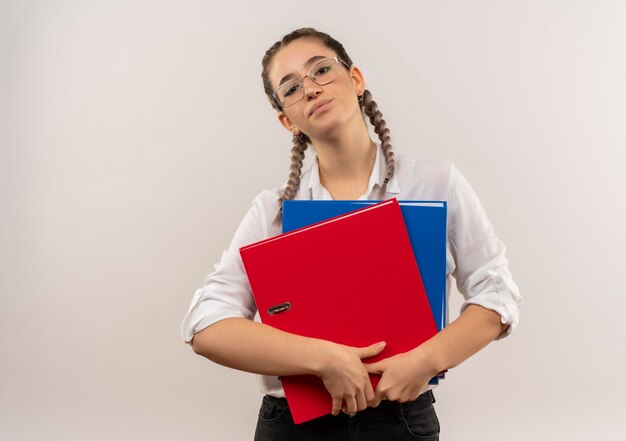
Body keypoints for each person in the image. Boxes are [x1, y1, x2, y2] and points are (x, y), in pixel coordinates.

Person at [181, 27, 522, 440]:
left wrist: (427, 360)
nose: (310, 89)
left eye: (321, 69)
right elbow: (206, 324)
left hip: (401, 422)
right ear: (288, 120)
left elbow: (497, 293)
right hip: (293, 425)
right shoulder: (271, 212)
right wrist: (322, 358)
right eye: (290, 88)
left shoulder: (436, 183)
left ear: (355, 79)